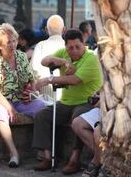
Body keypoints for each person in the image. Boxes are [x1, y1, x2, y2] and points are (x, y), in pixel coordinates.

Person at [32, 29, 103, 173]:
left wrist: (48, 79)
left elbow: (75, 80)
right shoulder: (64, 53)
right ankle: (47, 158)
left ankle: (75, 159)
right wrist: (63, 61)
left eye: (78, 46)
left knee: (77, 118)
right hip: (65, 102)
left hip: (86, 102)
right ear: (66, 47)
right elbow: (44, 61)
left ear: (84, 44)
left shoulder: (91, 58)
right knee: (42, 116)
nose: (74, 50)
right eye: (70, 48)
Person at [0, 23, 46, 168]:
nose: (13, 45)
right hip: (0, 99)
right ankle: (14, 153)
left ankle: (44, 150)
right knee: (0, 113)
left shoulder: (21, 56)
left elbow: (31, 80)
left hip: (20, 98)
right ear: (0, 45)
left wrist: (31, 92)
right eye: (8, 42)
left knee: (43, 108)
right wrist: (9, 107)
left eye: (14, 40)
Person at [31, 14, 66, 99]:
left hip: (45, 98)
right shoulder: (69, 47)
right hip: (66, 98)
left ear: (46, 30)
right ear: (64, 29)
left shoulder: (40, 46)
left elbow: (33, 72)